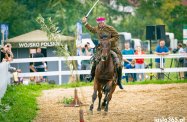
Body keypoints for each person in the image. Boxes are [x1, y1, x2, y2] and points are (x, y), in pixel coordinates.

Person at [82, 16, 123, 89]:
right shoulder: (97, 28)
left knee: (118, 63)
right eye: (99, 23)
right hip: (101, 48)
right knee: (95, 60)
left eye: (102, 22)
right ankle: (91, 76)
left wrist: (108, 41)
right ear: (98, 23)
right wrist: (85, 23)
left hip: (112, 48)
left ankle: (119, 81)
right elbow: (91, 29)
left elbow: (117, 36)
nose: (101, 24)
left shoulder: (110, 28)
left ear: (104, 22)